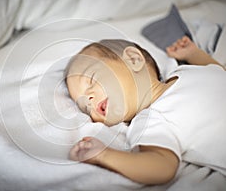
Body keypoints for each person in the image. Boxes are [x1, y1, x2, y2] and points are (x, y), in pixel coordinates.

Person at [65, 36, 226, 185]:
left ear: (133, 59)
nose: (89, 100)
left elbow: (217, 71)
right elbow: (162, 167)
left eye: (92, 80)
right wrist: (103, 155)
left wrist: (193, 54)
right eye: (85, 107)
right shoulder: (149, 121)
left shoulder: (183, 71)